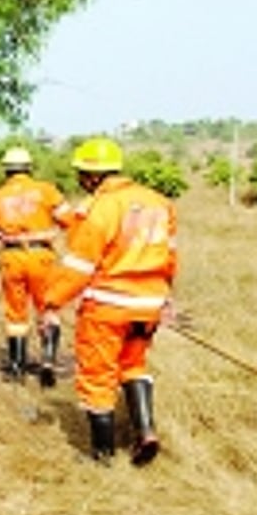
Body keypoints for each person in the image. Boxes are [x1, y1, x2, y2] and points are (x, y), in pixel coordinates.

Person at [40, 137, 177, 466]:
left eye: (80, 173)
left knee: (97, 377)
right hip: (149, 306)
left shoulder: (102, 207)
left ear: (90, 175)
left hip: (108, 307)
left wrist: (51, 303)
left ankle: (102, 458)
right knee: (133, 365)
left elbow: (79, 266)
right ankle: (146, 432)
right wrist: (164, 298)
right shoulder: (159, 203)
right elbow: (170, 257)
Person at [0, 146, 74, 387]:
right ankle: (47, 360)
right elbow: (69, 219)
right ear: (29, 168)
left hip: (12, 259)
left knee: (15, 315)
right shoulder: (46, 190)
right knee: (48, 309)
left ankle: (17, 368)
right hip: (41, 257)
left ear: (7, 171)